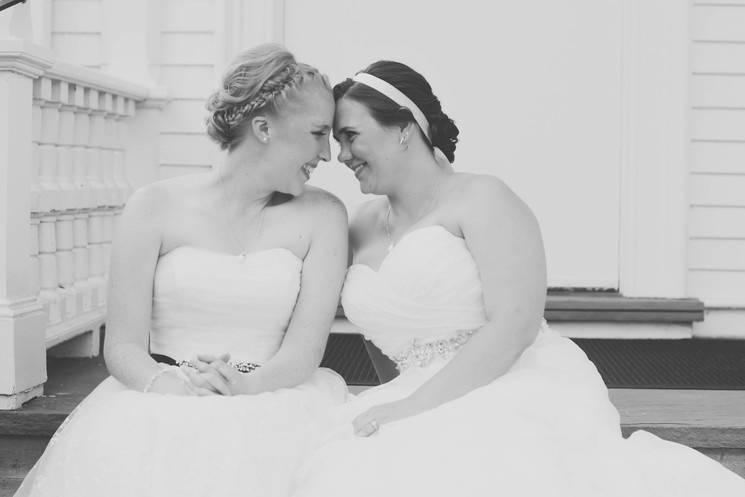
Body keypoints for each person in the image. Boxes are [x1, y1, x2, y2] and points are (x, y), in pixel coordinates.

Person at [290, 61, 745, 496]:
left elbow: (515, 325)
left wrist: (411, 408)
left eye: (351, 136)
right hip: (411, 393)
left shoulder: (484, 199)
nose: (341, 155)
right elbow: (380, 336)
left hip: (510, 383)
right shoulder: (361, 224)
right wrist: (392, 401)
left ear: (404, 126)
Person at [15, 44, 348, 497]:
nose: (327, 153)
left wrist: (244, 387)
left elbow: (306, 350)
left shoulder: (325, 215)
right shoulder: (152, 206)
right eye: (317, 133)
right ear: (264, 128)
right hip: (163, 397)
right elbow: (123, 347)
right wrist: (172, 390)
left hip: (274, 399)